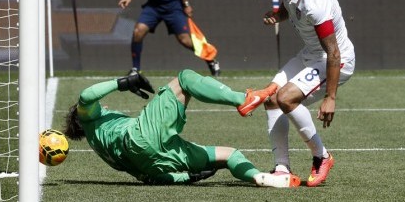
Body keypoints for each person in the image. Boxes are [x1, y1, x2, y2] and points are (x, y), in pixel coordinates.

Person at [238, 0, 355, 187]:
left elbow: (333, 52)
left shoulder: (314, 2)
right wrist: (277, 16)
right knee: (271, 98)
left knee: (286, 98)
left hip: (335, 60)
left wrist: (331, 97)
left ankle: (322, 156)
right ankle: (282, 168)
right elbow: (287, 10)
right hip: (311, 54)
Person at [63, 69, 301, 187]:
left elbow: (146, 177)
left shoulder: (101, 145)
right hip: (140, 138)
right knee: (184, 78)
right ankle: (243, 99)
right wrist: (123, 83)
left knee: (230, 156)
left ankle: (263, 178)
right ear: (81, 119)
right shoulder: (90, 120)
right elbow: (86, 96)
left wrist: (184, 177)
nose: (100, 104)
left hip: (155, 163)